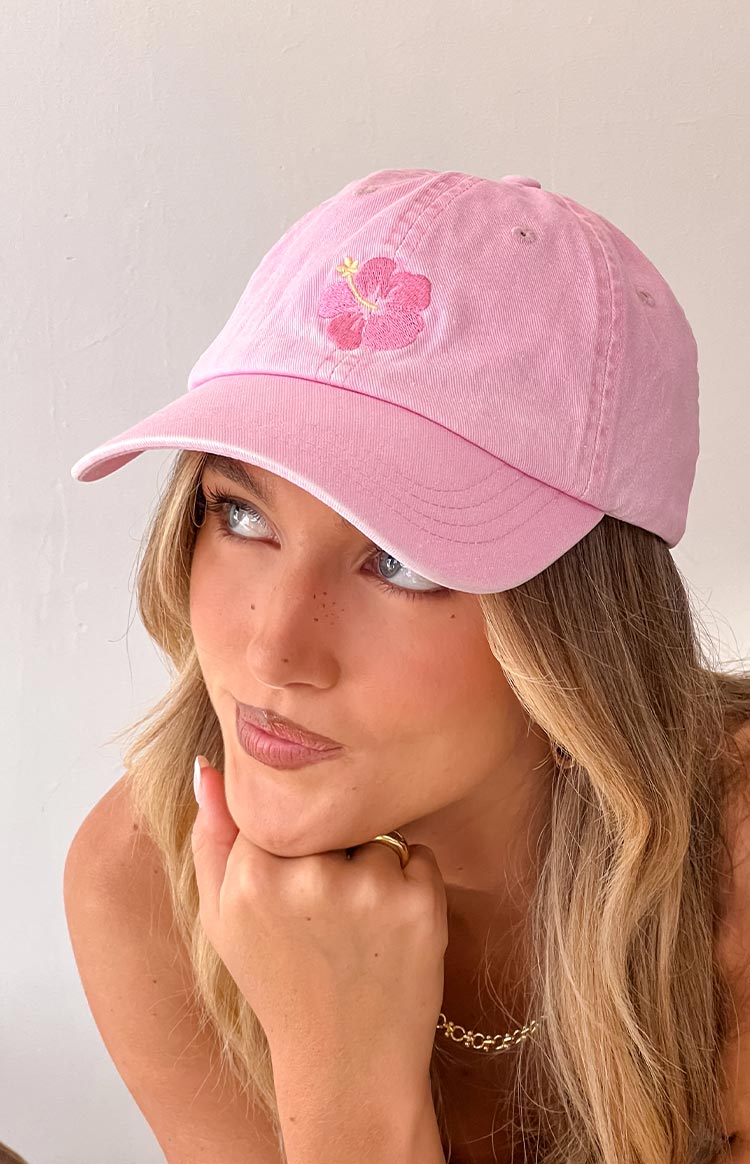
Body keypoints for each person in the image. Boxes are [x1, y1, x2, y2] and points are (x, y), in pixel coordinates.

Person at [64, 168, 750, 1164]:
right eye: (241, 514)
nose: (274, 651)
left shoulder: (731, 875)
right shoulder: (143, 877)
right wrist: (337, 1063)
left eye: (401, 563)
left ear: (581, 632)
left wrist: (342, 1084)